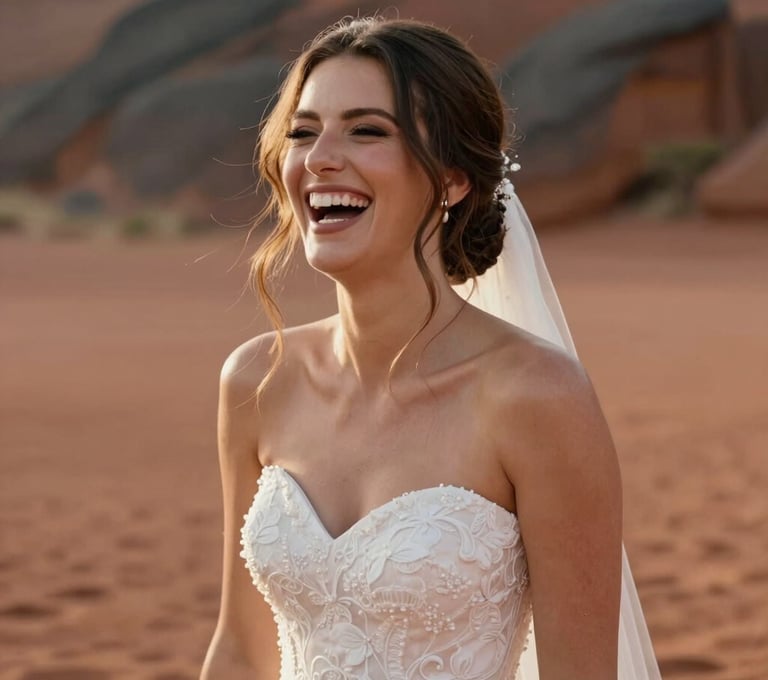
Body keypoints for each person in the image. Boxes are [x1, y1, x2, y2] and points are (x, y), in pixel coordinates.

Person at [200, 16, 661, 680]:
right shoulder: (257, 379)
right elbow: (240, 651)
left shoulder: (534, 396)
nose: (321, 157)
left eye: (367, 130)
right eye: (303, 132)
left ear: (452, 179)